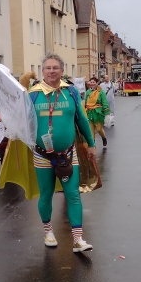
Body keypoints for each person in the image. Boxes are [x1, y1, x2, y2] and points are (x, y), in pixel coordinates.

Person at [31, 53, 96, 252]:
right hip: (42, 155)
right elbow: (22, 122)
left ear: (62, 71)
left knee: (73, 194)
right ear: (42, 71)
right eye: (48, 68)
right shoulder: (32, 94)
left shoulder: (71, 92)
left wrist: (91, 143)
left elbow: (82, 119)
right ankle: (48, 231)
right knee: (46, 195)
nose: (52, 71)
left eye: (55, 68)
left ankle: (78, 239)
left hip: (68, 154)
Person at [83, 76, 111, 147]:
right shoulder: (88, 92)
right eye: (91, 82)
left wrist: (107, 113)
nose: (92, 83)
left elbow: (104, 102)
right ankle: (93, 146)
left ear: (97, 83)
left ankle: (103, 137)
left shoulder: (101, 92)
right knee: (91, 130)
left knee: (99, 129)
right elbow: (86, 102)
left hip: (98, 113)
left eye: (94, 82)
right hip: (90, 112)